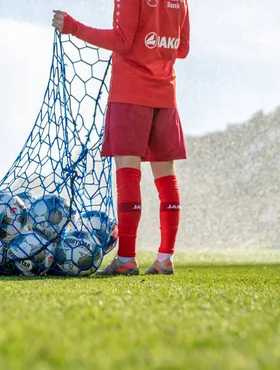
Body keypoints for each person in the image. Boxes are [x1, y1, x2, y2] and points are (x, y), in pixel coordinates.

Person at [52, 0, 190, 275]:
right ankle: (165, 259)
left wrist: (73, 27)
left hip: (130, 95)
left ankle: (126, 259)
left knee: (128, 174)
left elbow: (122, 41)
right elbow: (182, 49)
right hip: (166, 96)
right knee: (166, 177)